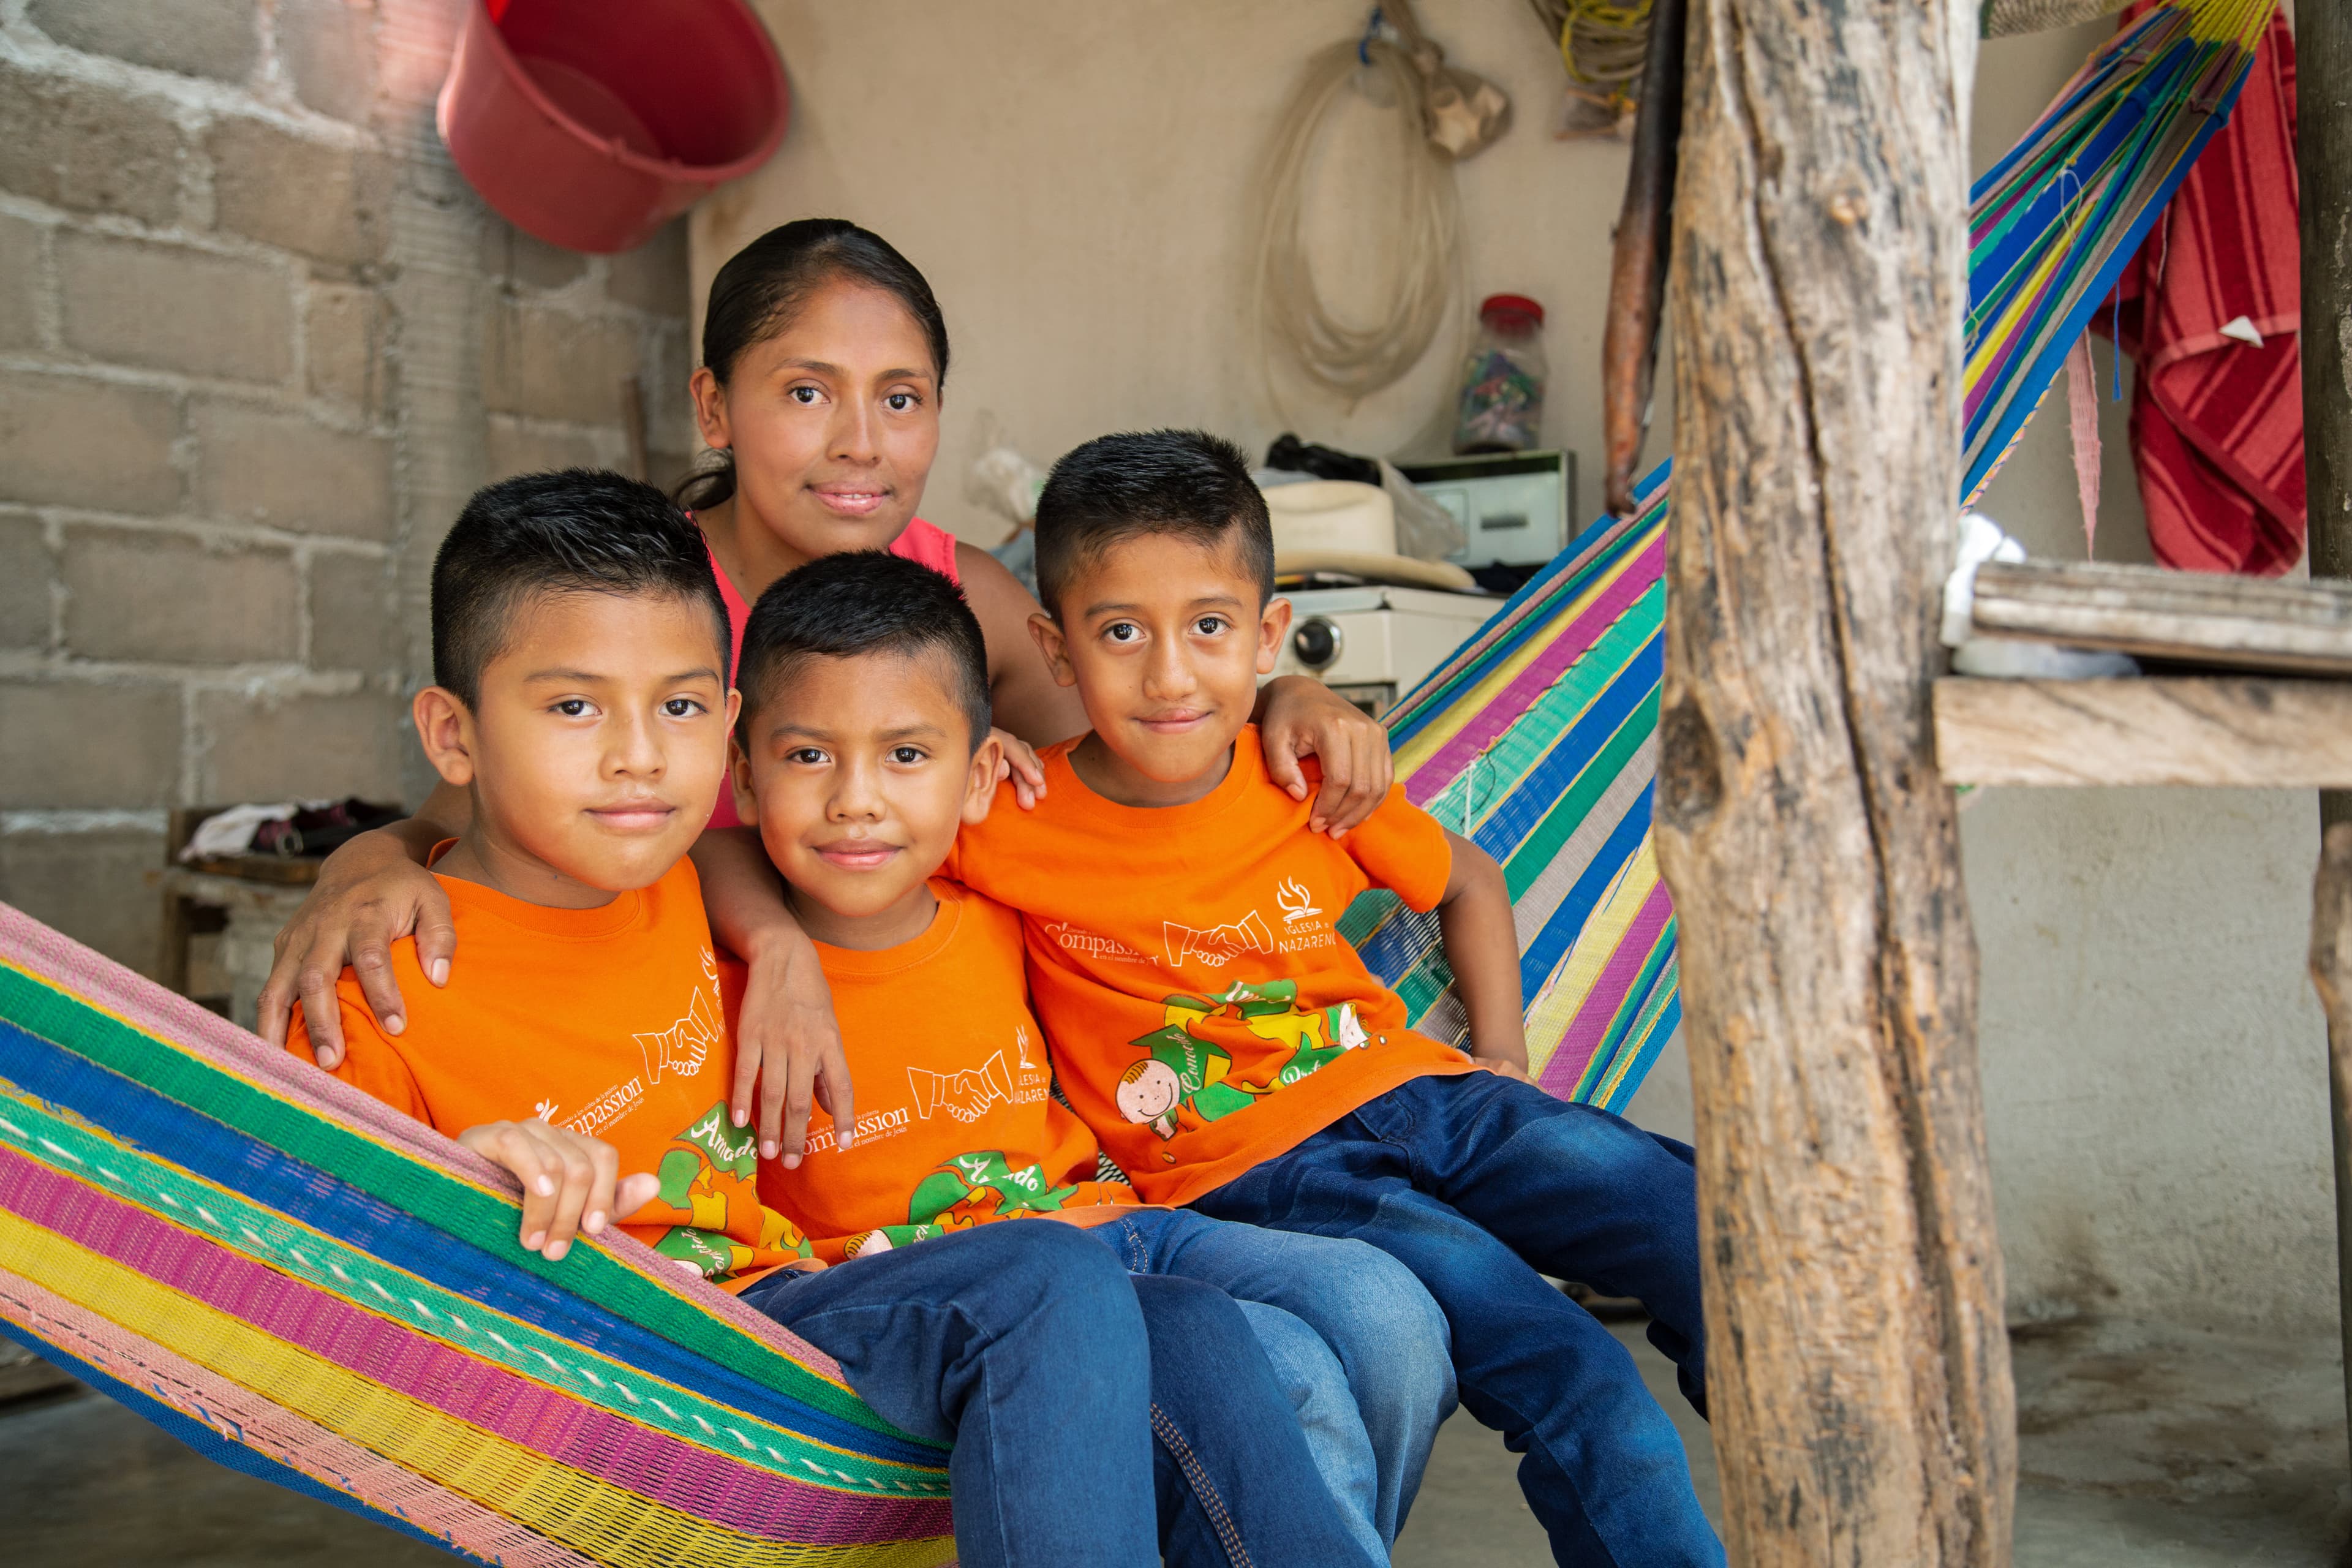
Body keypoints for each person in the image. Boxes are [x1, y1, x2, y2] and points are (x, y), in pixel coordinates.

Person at [285, 467, 1385, 1568]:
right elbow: (302, 1263)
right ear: (454, 733)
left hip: (783, 1320)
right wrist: (462, 1172)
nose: (638, 754)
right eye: (574, 706)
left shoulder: (682, 882)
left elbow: (937, 810)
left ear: (726, 730)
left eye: (677, 707)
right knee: (1041, 1277)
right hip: (613, 1374)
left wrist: (1285, 697)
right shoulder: (372, 981)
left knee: (1187, 1323)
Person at [260, 218, 1394, 1180]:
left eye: (901, 399)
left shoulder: (965, 595)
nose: (862, 444)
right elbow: (471, 816)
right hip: (693, 1093)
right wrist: (360, 863)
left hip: (940, 1093)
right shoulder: (633, 601)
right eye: (808, 392)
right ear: (715, 407)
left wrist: (1281, 687)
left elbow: (1139, 768)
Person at [935, 429, 1725, 1568]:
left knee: (1697, 1225)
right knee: (1575, 1368)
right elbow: (831, 851)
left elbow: (1469, 880)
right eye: (1121, 634)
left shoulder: (1299, 773)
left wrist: (1502, 1053)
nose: (1169, 675)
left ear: (1264, 636)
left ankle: (1818, 1470)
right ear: (1056, 651)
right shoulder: (1005, 817)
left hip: (1438, 1097)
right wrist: (949, 753)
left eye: (1209, 628)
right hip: (1269, 1172)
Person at [723, 548, 1454, 1558]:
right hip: (919, 1296)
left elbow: (1162, 836)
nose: (857, 800)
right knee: (1278, 1361)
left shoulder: (1007, 901)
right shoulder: (719, 959)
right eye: (809, 758)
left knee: (1383, 1315)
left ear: (980, 774)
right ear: (743, 775)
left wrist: (1287, 690)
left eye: (906, 756)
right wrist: (769, 941)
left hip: (1108, 1229)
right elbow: (649, 864)